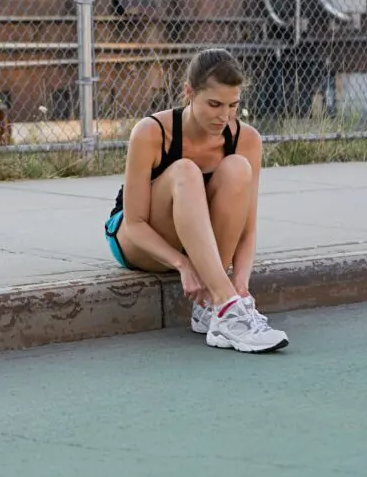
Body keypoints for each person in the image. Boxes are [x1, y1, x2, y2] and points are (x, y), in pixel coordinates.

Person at [104, 48, 289, 353]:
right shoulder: (151, 132)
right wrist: (183, 265)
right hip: (141, 239)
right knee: (186, 172)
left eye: (233, 105)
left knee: (237, 167)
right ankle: (227, 308)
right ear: (188, 93)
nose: (224, 116)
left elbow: (248, 228)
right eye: (214, 104)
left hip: (198, 243)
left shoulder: (246, 139)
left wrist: (240, 283)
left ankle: (214, 308)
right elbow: (135, 224)